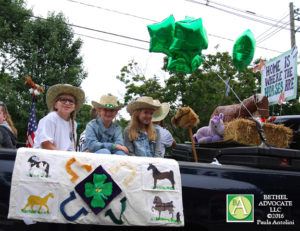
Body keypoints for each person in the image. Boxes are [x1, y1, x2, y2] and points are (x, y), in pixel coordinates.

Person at [33, 84, 85, 151]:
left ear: (74, 107)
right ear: (55, 104)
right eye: (63, 99)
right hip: (44, 158)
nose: (67, 103)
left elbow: (70, 149)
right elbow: (46, 145)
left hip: (61, 158)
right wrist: (63, 156)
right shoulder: (50, 119)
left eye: (71, 101)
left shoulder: (73, 124)